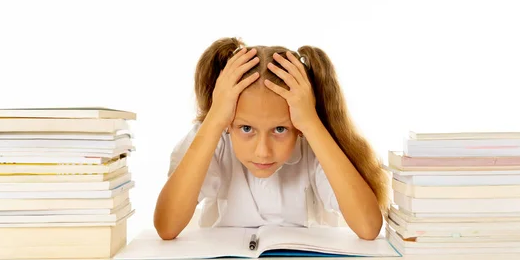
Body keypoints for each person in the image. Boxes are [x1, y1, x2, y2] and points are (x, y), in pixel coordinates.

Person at [153, 37, 390, 241]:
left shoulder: (312, 141)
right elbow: (166, 226)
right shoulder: (214, 136)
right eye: (246, 128)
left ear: (298, 127)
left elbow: (368, 227)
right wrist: (214, 119)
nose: (263, 152)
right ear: (227, 123)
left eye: (279, 129)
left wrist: (312, 123)